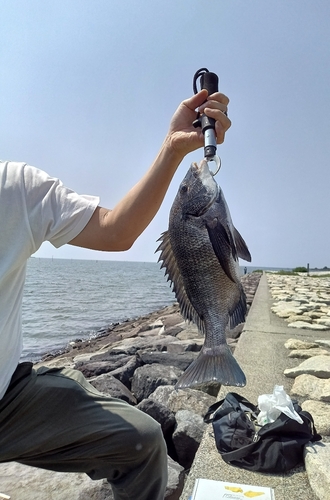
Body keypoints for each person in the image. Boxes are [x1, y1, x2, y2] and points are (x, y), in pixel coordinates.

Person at [0, 89, 231, 500]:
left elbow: (115, 231)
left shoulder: (14, 187)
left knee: (142, 440)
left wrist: (173, 148)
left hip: (6, 400)